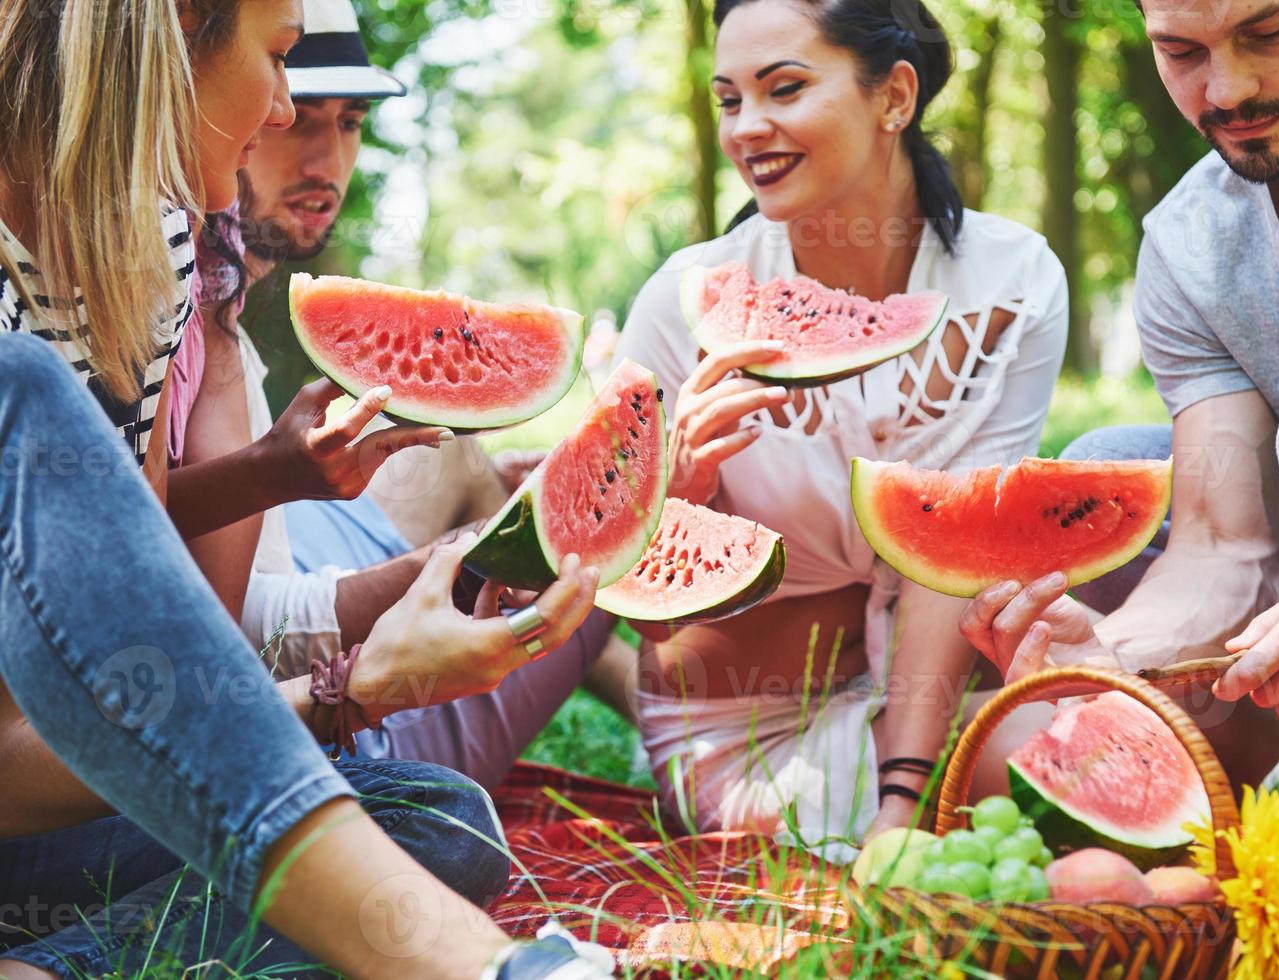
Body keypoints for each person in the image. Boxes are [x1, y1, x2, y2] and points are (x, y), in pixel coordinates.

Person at [0, 2, 609, 975]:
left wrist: (372, 653)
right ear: (183, 26)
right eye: (280, 60)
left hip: (50, 808)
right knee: (18, 382)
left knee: (435, 814)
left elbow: (133, 588)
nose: (284, 110)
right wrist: (345, 690)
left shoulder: (155, 253)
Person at [965, 0, 1279, 814]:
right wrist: (1109, 657)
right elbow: (1224, 550)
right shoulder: (1186, 242)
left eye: (1266, 33)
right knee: (1106, 494)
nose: (1227, 89)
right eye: (1180, 52)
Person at [615, 0, 1067, 847]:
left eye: (782, 89)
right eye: (727, 100)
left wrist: (902, 799)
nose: (748, 127)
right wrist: (677, 499)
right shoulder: (685, 301)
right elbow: (643, 617)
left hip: (916, 705)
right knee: (1085, 758)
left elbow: (950, 553)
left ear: (894, 97)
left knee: (1205, 733)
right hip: (740, 742)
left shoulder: (1012, 283)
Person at [169, 0, 626, 792]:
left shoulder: (220, 309)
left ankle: (634, 681)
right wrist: (480, 551)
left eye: (348, 122)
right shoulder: (180, 316)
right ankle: (652, 695)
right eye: (294, 112)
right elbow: (241, 629)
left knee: (458, 460)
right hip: (298, 725)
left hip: (276, 610)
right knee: (605, 536)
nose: (325, 157)